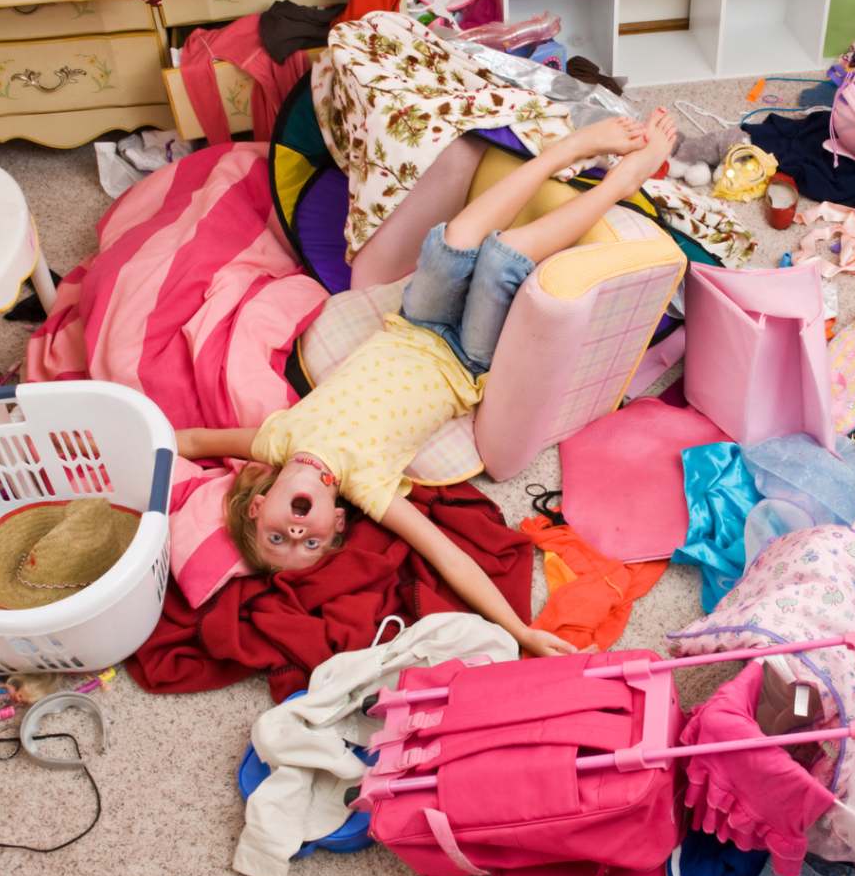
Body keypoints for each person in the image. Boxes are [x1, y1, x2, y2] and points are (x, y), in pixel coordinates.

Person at [176, 108, 678, 657]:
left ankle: (564, 152)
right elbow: (448, 558)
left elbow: (192, 442)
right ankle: (621, 182)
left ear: (259, 504)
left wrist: (118, 447)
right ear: (336, 519)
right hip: (465, 355)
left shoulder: (275, 441)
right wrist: (521, 631)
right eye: (312, 541)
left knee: (455, 238)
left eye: (279, 536)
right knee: (501, 258)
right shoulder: (367, 487)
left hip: (413, 321)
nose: (298, 534)